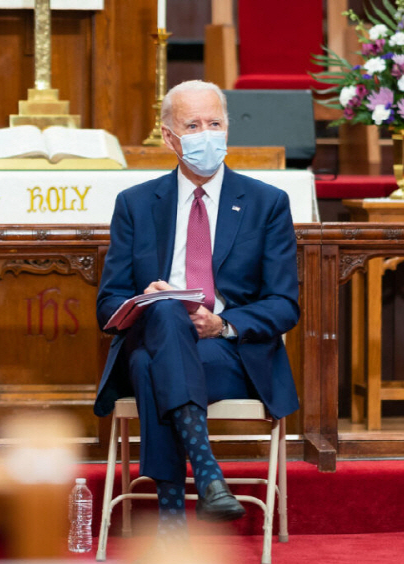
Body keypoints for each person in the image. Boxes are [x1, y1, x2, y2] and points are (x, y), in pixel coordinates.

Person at [94, 80, 299, 538]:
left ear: (228, 130)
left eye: (215, 123)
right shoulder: (136, 204)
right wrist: (146, 300)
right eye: (193, 125)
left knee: (152, 366)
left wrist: (222, 323)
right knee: (165, 310)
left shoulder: (267, 204)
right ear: (169, 137)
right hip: (157, 335)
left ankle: (172, 512)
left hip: (225, 354)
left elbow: (284, 304)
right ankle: (207, 475)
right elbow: (106, 305)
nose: (206, 134)